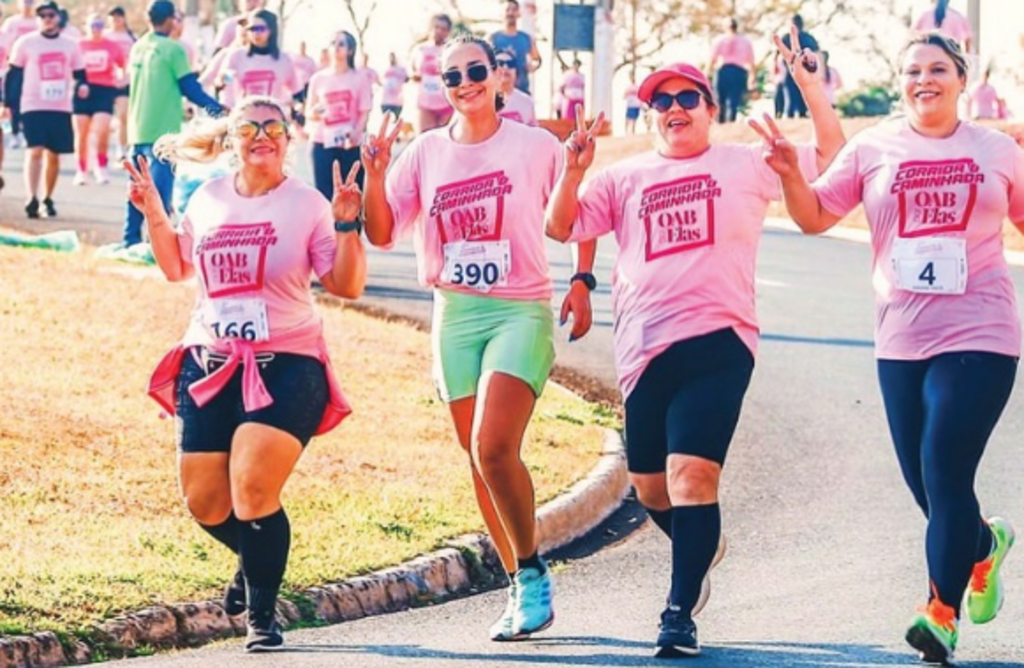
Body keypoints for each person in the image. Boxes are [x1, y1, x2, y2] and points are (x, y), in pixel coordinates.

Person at [545, 28, 844, 658]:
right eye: (662, 101)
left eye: (688, 97)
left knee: (690, 475)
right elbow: (562, 225)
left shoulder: (743, 162)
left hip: (719, 340)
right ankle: (700, 543)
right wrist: (573, 172)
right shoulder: (623, 177)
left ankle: (677, 614)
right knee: (652, 488)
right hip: (644, 350)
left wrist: (812, 90)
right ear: (651, 114)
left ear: (711, 109)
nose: (675, 108)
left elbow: (834, 157)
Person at [752, 33, 1017, 666]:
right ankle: (982, 545)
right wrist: (791, 173)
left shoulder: (997, 150)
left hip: (983, 332)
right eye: (913, 71)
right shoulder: (875, 148)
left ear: (962, 77)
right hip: (902, 338)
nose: (924, 80)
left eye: (937, 69)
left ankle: (941, 615)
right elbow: (816, 216)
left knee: (946, 466)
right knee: (928, 486)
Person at [361, 33, 596, 642]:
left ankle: (533, 574)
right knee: (480, 461)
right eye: (451, 76)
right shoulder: (425, 152)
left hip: (518, 308)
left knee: (494, 446)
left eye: (474, 71)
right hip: (455, 314)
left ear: (498, 78)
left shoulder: (534, 145)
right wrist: (375, 173)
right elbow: (382, 232)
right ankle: (520, 580)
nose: (463, 83)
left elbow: (579, 213)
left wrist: (583, 280)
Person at [130, 95, 366, 653]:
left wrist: (348, 222)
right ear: (231, 139)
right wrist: (154, 212)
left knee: (253, 486)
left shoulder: (307, 204)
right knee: (205, 502)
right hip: (209, 363)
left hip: (287, 364)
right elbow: (174, 267)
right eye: (249, 128)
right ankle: (254, 556)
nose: (263, 136)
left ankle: (262, 617)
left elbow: (347, 285)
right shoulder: (208, 198)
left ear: (289, 136)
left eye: (273, 127)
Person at [122, 0, 224, 248]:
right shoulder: (173, 49)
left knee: (137, 189)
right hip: (163, 135)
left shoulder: (138, 47)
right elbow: (190, 87)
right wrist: (219, 112)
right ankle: (160, 245)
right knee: (159, 193)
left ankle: (131, 239)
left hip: (137, 129)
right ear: (169, 20)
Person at [4, 0, 87, 219]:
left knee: (54, 155)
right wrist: (7, 104)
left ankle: (47, 197)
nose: (47, 19)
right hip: (32, 104)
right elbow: (13, 76)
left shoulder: (71, 44)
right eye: (42, 15)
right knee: (35, 150)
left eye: (50, 14)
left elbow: (80, 74)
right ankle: (31, 197)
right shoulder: (26, 43)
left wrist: (82, 87)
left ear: (58, 17)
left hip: (60, 107)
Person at [304, 30, 371, 200]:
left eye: (341, 44)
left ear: (350, 50)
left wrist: (357, 134)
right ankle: (326, 227)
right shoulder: (318, 78)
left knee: (352, 194)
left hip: (350, 143)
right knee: (324, 196)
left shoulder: (360, 77)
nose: (336, 47)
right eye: (333, 43)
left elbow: (364, 111)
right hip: (322, 143)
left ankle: (351, 227)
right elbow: (309, 112)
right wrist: (315, 113)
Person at [73, 12, 125, 185]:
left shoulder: (112, 45)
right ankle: (81, 170)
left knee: (102, 129)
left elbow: (123, 65)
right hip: (82, 89)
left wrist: (122, 79)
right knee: (82, 133)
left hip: (104, 89)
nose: (96, 29)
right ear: (86, 27)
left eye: (100, 26)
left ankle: (101, 166)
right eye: (93, 25)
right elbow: (70, 67)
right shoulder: (79, 45)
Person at [220, 10, 298, 114]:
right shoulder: (236, 57)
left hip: (274, 120)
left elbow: (297, 92)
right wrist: (227, 107)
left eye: (261, 29)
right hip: (244, 118)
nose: (256, 33)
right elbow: (225, 85)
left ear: (272, 30)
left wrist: (296, 109)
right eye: (252, 29)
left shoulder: (284, 59)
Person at [2, 0, 41, 149]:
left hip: (32, 68)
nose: (27, 5)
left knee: (29, 101)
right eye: (25, 2)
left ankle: (25, 132)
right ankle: (12, 133)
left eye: (30, 2)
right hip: (12, 67)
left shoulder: (39, 22)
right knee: (10, 103)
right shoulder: (12, 22)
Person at [410, 13, 452, 134]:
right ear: (430, 28)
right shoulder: (419, 49)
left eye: (443, 29)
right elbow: (411, 71)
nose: (439, 31)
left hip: (446, 102)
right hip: (425, 102)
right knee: (424, 139)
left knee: (444, 141)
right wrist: (414, 76)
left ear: (448, 32)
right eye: (436, 27)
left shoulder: (451, 49)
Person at [488, 0, 540, 95]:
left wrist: (532, 65)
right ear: (502, 13)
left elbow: (537, 59)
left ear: (518, 13)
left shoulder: (526, 38)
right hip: (499, 92)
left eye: (514, 10)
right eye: (507, 10)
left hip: (521, 89)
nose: (511, 13)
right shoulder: (493, 38)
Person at [708, 17, 754, 123]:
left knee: (720, 100)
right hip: (738, 71)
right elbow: (751, 61)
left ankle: (721, 122)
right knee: (733, 100)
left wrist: (706, 73)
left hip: (723, 71)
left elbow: (712, 59)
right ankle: (730, 122)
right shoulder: (745, 41)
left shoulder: (719, 40)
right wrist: (752, 76)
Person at [104, 6, 135, 162]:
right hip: (105, 81)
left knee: (123, 115)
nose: (116, 20)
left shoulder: (131, 37)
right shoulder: (104, 36)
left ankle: (121, 147)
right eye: (113, 17)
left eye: (119, 17)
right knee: (104, 118)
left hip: (126, 81)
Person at [778, 14, 819, 118]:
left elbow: (777, 56)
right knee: (802, 98)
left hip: (790, 71)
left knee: (791, 98)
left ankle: (792, 117)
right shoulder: (809, 38)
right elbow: (817, 55)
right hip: (803, 72)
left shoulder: (786, 37)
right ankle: (800, 115)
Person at [495, 49, 535, 126]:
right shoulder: (482, 101)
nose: (505, 67)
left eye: (510, 64)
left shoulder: (527, 101)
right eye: (500, 63)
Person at [380, 51, 408, 120]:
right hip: (385, 101)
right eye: (390, 57)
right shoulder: (385, 68)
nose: (392, 59)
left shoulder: (401, 69)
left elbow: (407, 79)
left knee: (395, 122)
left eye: (393, 57)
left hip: (397, 101)